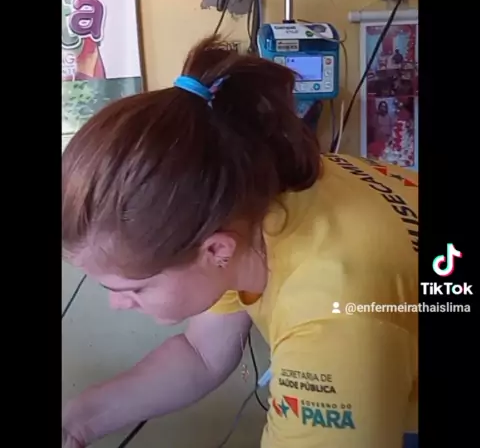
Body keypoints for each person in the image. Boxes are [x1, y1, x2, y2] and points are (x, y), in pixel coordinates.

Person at [62, 36, 419, 448]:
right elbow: (201, 354)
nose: (118, 303)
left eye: (135, 288)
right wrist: (75, 423)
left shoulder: (333, 322)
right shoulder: (248, 199)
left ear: (216, 249)